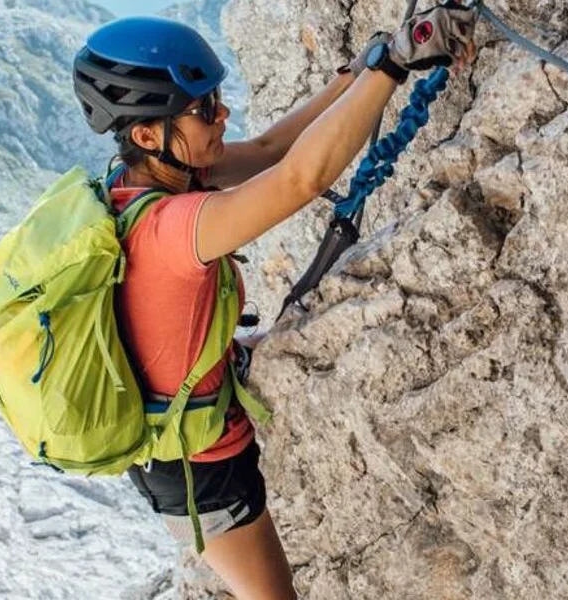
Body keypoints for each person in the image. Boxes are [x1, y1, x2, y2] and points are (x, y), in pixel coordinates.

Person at [68, 5, 477, 598]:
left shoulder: (142, 184)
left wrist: (362, 68)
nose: (221, 113)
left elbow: (270, 148)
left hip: (189, 442)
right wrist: (393, 63)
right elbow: (299, 180)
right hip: (199, 470)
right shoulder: (178, 227)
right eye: (203, 108)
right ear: (147, 134)